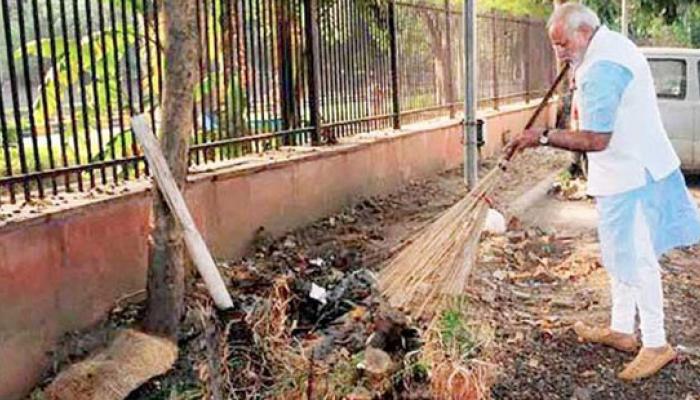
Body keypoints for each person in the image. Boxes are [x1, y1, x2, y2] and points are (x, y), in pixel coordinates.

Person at [504, 2, 700, 381]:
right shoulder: (603, 49)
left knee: (639, 258)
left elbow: (596, 139)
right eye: (555, 45)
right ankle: (623, 330)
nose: (558, 52)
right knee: (619, 254)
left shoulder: (602, 68)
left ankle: (657, 343)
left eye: (562, 43)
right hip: (624, 173)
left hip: (634, 177)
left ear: (583, 32)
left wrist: (541, 136)